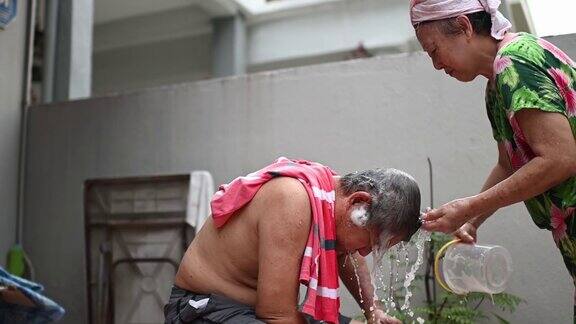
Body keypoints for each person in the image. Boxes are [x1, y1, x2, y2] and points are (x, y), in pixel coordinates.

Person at [410, 0, 576, 319]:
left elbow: (560, 158)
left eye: (433, 50)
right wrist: (472, 220)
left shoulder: (514, 62)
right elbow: (509, 163)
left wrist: (470, 207)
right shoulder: (495, 86)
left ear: (464, 26)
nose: (436, 65)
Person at [164, 157, 422, 324]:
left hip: (246, 313)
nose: (365, 252)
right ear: (359, 203)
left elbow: (346, 254)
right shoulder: (292, 199)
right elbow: (276, 315)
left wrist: (372, 311)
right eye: (371, 241)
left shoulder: (331, 199)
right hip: (202, 310)